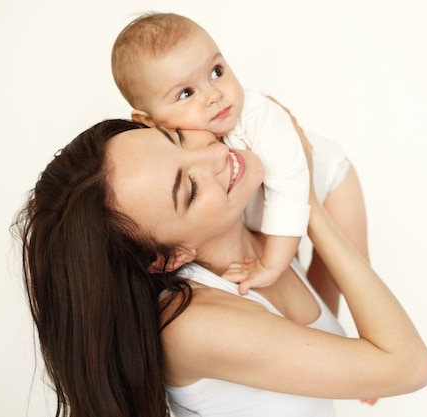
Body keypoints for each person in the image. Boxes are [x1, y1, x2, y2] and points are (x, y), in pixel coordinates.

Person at [14, 108, 427, 416]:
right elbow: (411, 367)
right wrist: (304, 204)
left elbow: (337, 174)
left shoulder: (258, 234)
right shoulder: (191, 325)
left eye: (177, 138)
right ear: (169, 257)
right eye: (190, 189)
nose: (214, 157)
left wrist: (357, 370)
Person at [111, 13, 368, 303]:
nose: (213, 95)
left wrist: (270, 265)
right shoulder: (188, 152)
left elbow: (289, 191)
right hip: (269, 203)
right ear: (148, 122)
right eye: (186, 93)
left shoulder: (259, 117)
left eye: (216, 72)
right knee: (313, 283)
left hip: (329, 184)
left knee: (349, 275)